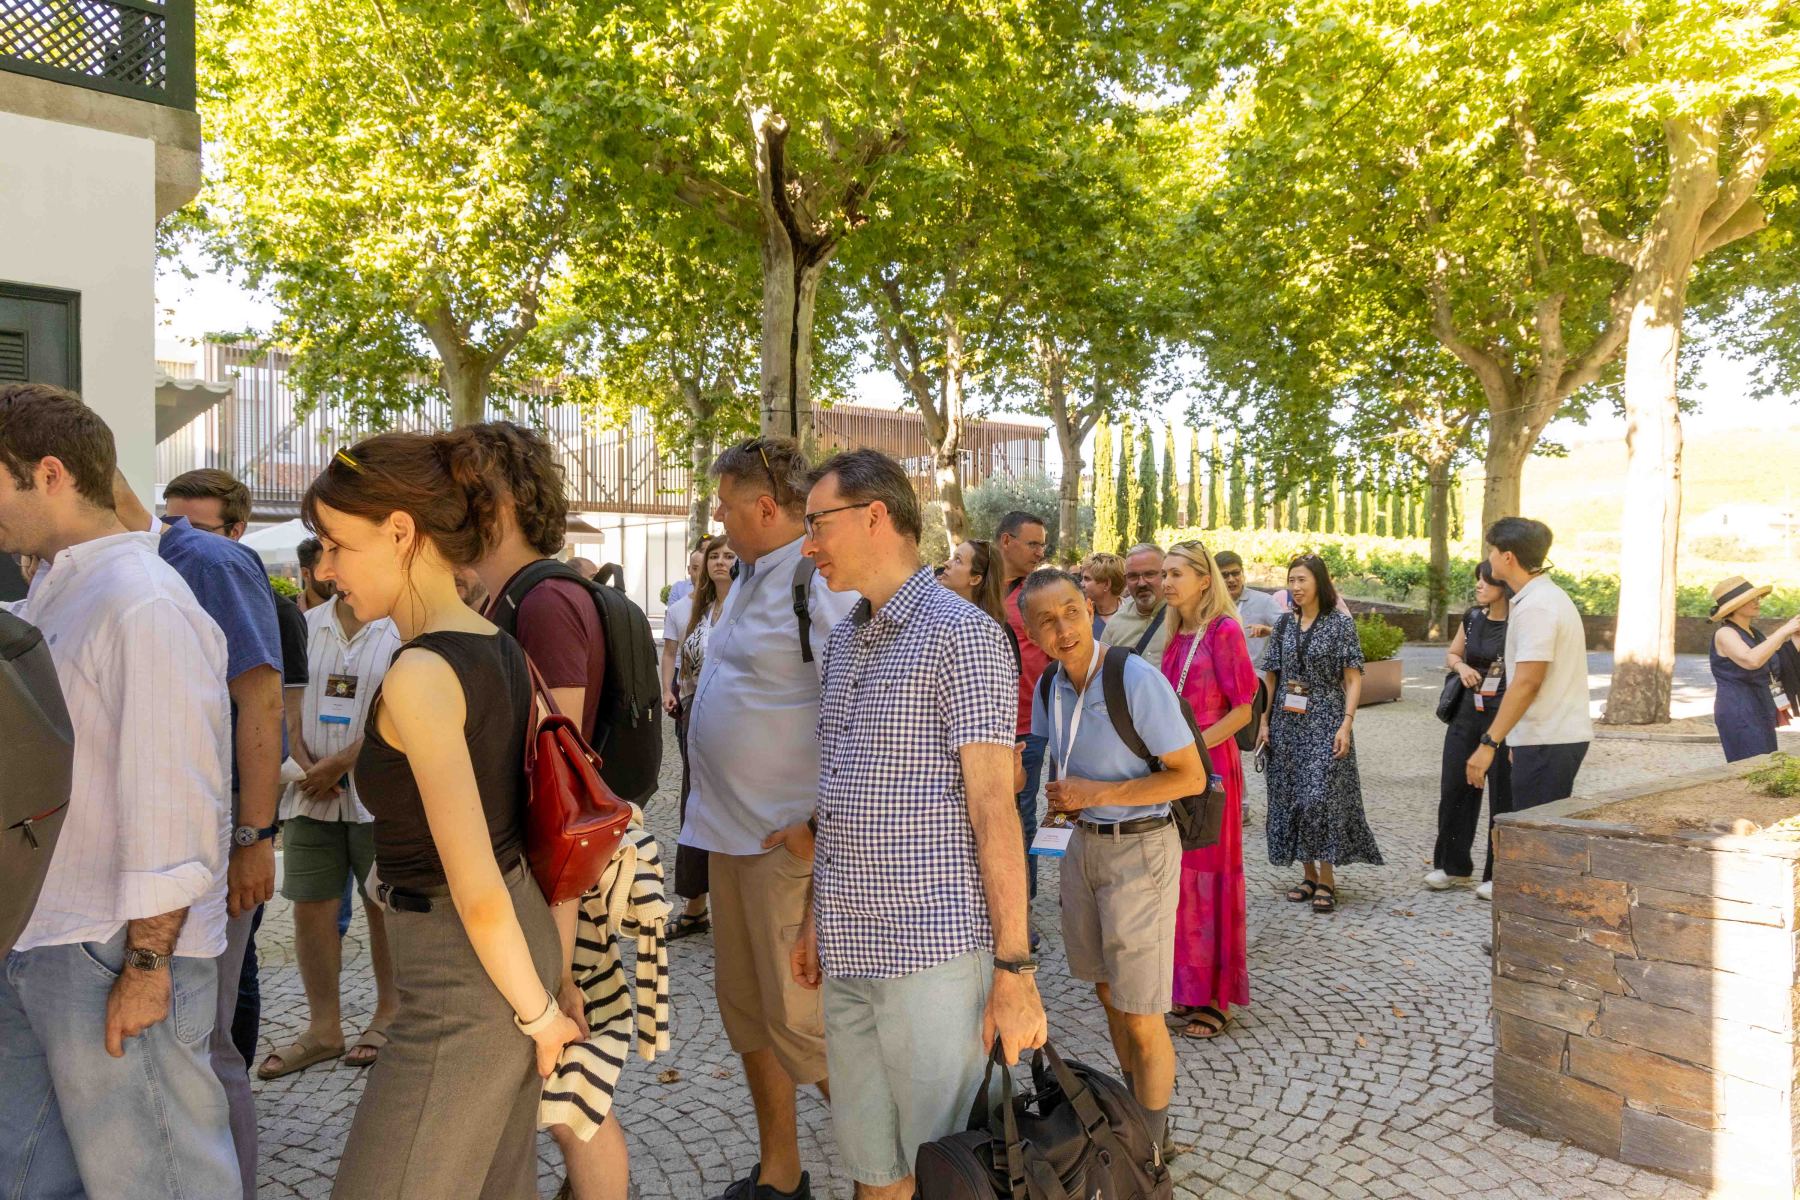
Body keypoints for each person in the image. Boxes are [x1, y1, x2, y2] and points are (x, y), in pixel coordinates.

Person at [303, 434, 578, 1199]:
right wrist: (547, 986)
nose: (324, 569)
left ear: (400, 531)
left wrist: (541, 1018)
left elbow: (477, 882)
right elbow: (523, 838)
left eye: (336, 545)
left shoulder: (423, 671)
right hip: (503, 958)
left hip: (467, 974)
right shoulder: (497, 643)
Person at [0, 383, 238, 1198]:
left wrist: (146, 962)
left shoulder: (144, 601)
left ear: (50, 474)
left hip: (113, 946)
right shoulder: (63, 584)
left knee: (162, 1181)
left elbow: (177, 792)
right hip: (51, 933)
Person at [792, 449, 1046, 1200]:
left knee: (956, 1178)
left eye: (817, 524)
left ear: (875, 516)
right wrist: (814, 915)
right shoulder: (845, 638)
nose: (808, 545)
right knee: (874, 1174)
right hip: (849, 949)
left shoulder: (963, 635)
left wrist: (1015, 972)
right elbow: (838, 794)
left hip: (934, 954)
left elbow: (995, 812)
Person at [451, 420, 630, 1199]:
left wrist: (556, 960)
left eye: (456, 488)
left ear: (495, 498)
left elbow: (561, 787)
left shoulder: (546, 601)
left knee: (572, 1098)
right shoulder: (511, 596)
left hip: (554, 890)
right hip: (536, 885)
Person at [682, 437, 858, 1200]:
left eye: (725, 504)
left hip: (784, 846)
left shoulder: (819, 583)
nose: (717, 517)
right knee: (750, 1018)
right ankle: (781, 1172)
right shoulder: (750, 576)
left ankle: (905, 1176)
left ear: (762, 506)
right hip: (729, 837)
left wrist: (814, 831)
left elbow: (862, 712)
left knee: (803, 1029)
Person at [158, 465, 301, 1197]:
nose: (177, 533)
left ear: (235, 531)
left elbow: (267, 703)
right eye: (170, 519)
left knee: (214, 1033)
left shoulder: (221, 569)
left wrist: (256, 837)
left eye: (195, 524)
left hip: (228, 831)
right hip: (194, 832)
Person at [1021, 569, 1203, 1142]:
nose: (1063, 629)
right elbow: (1052, 758)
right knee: (1108, 993)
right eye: (1046, 621)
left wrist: (1096, 794)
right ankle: (1134, 1122)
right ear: (1031, 632)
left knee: (1142, 1010)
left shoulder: (1134, 679)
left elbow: (1190, 777)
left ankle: (1150, 1148)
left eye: (1071, 611)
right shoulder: (1049, 685)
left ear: (1089, 608)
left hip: (1140, 848)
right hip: (1081, 847)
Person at [257, 586, 403, 1079]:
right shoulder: (306, 623)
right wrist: (302, 762)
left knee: (382, 906)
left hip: (377, 794)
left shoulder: (399, 627)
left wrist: (340, 763)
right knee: (311, 906)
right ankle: (324, 1028)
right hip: (308, 792)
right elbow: (282, 699)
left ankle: (388, 1015)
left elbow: (398, 710)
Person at [1158, 541, 1255, 1038]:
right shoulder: (1175, 635)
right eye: (1164, 574)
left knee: (1210, 878)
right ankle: (1188, 988)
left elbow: (1243, 709)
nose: (1166, 582)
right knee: (1180, 881)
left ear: (1203, 579)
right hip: (1178, 769)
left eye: (1176, 573)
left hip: (1211, 768)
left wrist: (1194, 749)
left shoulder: (1224, 631)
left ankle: (1217, 999)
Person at [1258, 554, 1383, 913]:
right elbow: (1271, 676)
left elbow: (1353, 678)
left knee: (1320, 798)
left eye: (1302, 580)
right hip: (1286, 722)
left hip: (1326, 718)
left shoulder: (1339, 624)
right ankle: (1308, 875)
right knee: (1292, 798)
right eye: (1291, 580)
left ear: (1319, 582)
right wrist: (1264, 721)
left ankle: (1327, 878)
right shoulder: (1284, 625)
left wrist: (1347, 723)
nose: (1295, 587)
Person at [1466, 518, 1593, 811]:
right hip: (1544, 739)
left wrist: (1489, 743)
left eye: (1492, 550)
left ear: (1507, 557)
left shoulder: (1538, 606)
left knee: (1535, 830)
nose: (1489, 557)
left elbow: (1527, 681)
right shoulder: (1542, 598)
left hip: (1548, 740)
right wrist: (1517, 739)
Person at [664, 533, 737, 940]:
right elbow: (680, 664)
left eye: (729, 555)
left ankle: (734, 908)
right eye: (715, 556)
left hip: (734, 720)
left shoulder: (748, 608)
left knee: (729, 807)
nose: (721, 561)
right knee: (694, 806)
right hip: (695, 716)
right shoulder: (699, 610)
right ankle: (694, 906)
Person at [1429, 563, 1514, 899]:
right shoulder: (1473, 617)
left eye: (1486, 580)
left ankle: (1499, 874)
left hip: (1503, 713)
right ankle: (1452, 866)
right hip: (1467, 711)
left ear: (1503, 585)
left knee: (1503, 795)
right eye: (1477, 579)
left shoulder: (1519, 623)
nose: (1479, 585)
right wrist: (1462, 666)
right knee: (1454, 786)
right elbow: (1452, 653)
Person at [996, 510, 1052, 908]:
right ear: (1006, 541)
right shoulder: (971, 588)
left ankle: (1022, 906)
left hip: (1026, 727)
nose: (1039, 552)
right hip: (978, 726)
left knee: (1022, 813)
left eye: (1042, 546)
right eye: (1032, 544)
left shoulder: (1035, 594)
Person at [1708, 577, 1800, 763]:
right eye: (1750, 599)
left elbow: (1776, 659)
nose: (1757, 602)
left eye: (1757, 598)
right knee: (1751, 766)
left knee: (1764, 765)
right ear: (1735, 606)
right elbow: (1751, 660)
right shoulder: (1725, 633)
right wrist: (1783, 631)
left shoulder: (1754, 633)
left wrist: (1795, 636)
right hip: (1739, 710)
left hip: (1761, 706)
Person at [1101, 543, 1175, 662]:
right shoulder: (1115, 625)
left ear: (1165, 574)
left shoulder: (1185, 617)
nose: (1141, 583)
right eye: (1133, 576)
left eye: (1149, 574)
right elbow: (1104, 668)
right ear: (1126, 580)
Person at [1216, 550, 1281, 665]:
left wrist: (1269, 630)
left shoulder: (1264, 601)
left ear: (1242, 573)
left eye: (1235, 573)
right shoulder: (1211, 605)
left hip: (1255, 672)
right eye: (1224, 575)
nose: (1231, 579)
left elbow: (1290, 631)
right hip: (1222, 671)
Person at [940, 538, 1009, 629]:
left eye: (958, 560)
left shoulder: (986, 628)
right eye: (953, 558)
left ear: (975, 579)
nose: (946, 563)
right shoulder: (937, 610)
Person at [1080, 552, 1126, 636]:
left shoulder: (1132, 614)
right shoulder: (1082, 615)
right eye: (1082, 578)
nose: (1081, 584)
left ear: (1107, 584)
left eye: (1087, 579)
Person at [298, 535, 335, 611]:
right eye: (326, 568)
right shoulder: (283, 611)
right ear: (306, 573)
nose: (334, 574)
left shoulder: (352, 609)